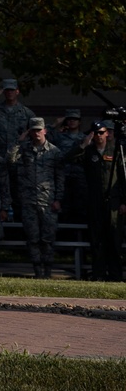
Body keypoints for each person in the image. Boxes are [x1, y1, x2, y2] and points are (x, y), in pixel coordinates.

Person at [10, 116, 64, 278]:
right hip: (29, 201)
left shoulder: (54, 152)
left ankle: (47, 271)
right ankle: (37, 271)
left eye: (39, 130)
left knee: (47, 238)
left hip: (48, 201)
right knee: (32, 238)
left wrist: (58, 199)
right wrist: (19, 141)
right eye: (33, 130)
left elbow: (60, 177)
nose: (36, 133)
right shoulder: (24, 149)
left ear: (45, 131)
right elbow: (9, 160)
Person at [72, 120, 124, 281]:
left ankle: (115, 276)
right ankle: (98, 274)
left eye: (101, 132)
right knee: (97, 240)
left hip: (114, 203)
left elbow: (123, 178)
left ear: (107, 133)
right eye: (95, 133)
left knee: (114, 239)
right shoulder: (89, 152)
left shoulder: (117, 150)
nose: (98, 136)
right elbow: (69, 160)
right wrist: (83, 145)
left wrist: (124, 201)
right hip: (95, 202)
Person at [0, 79, 32, 222]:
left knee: (19, 193)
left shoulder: (26, 113)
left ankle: (20, 226)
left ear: (17, 91)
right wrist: (0, 91)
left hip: (18, 161)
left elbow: (36, 132)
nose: (9, 93)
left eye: (12, 90)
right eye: (6, 90)